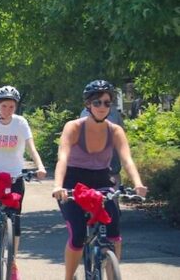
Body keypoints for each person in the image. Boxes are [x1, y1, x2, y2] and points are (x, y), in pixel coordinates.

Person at [52, 80, 148, 280]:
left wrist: (137, 183)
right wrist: (58, 186)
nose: (103, 107)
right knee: (78, 236)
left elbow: (127, 159)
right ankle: (69, 277)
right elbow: (63, 157)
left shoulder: (115, 130)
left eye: (107, 103)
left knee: (114, 235)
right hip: (73, 183)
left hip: (102, 180)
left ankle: (113, 275)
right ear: (88, 104)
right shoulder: (74, 127)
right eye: (97, 103)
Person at [0, 86, 47, 280]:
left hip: (14, 175)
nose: (7, 110)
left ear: (16, 107)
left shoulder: (21, 123)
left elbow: (31, 147)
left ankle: (13, 263)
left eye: (11, 106)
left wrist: (40, 167)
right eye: (4, 106)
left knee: (16, 221)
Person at [80, 103, 124, 201]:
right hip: (102, 149)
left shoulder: (84, 112)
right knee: (113, 172)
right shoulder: (113, 111)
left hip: (100, 149)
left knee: (112, 172)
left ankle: (112, 200)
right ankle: (113, 200)